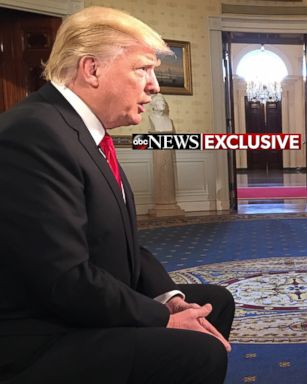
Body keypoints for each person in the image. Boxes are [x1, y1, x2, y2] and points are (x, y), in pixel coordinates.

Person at [0, 6, 235, 384]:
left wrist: (169, 298)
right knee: (200, 350)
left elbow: (126, 245)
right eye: (143, 69)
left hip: (77, 303)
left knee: (215, 301)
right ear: (92, 69)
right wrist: (162, 318)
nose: (155, 85)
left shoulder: (80, 131)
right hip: (41, 335)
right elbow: (63, 280)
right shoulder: (33, 135)